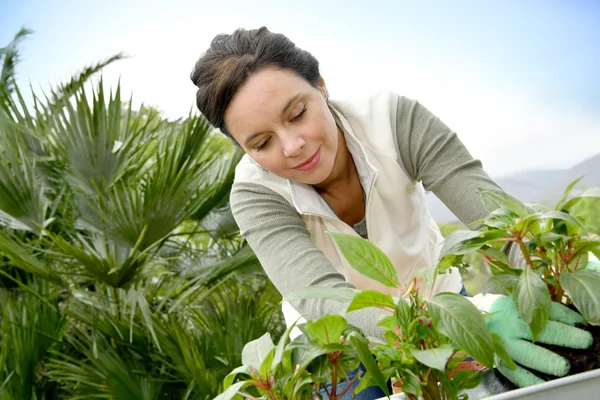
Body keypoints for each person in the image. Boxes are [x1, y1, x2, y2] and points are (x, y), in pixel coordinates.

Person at [190, 27, 592, 399]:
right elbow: (322, 297)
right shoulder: (255, 194)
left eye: (297, 114)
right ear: (245, 151)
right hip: (342, 350)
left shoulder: (393, 121)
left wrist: (552, 283)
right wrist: (447, 330)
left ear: (321, 86)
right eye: (262, 143)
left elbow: (495, 216)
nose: (292, 145)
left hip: (441, 300)